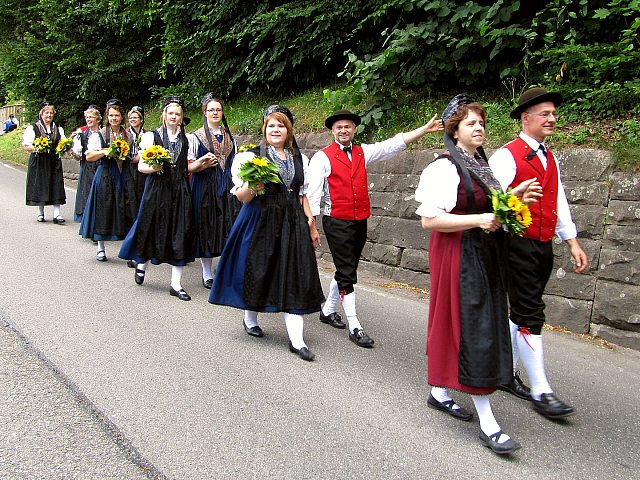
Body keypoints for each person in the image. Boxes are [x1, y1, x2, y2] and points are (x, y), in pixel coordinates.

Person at [415, 94, 541, 455]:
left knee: (464, 322)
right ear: (454, 131)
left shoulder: (480, 164)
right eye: (471, 123)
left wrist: (514, 196)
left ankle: (440, 391)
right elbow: (429, 219)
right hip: (458, 254)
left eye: (481, 122)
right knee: (473, 327)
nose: (479, 127)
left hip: (484, 254)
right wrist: (478, 220)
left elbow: (491, 207)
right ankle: (488, 423)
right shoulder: (443, 167)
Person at [489, 87, 588, 418]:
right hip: (514, 243)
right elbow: (493, 203)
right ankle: (541, 390)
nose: (552, 119)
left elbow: (557, 199)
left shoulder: (549, 157)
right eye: (544, 114)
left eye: (554, 114)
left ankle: (505, 371)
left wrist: (570, 240)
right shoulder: (506, 156)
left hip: (542, 243)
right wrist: (515, 202)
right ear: (525, 117)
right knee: (531, 312)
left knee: (521, 311)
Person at [306, 110, 442, 348]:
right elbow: (313, 193)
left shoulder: (362, 152)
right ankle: (354, 324)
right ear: (332, 131)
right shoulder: (322, 157)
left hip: (360, 220)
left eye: (347, 127)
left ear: (354, 129)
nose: (343, 130)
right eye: (339, 127)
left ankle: (327, 311)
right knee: (347, 271)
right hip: (337, 221)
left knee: (347, 267)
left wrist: (423, 130)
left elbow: (392, 145)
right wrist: (313, 225)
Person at [208, 105, 324, 361]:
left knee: (293, 274)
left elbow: (301, 194)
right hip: (260, 219)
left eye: (281, 125)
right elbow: (241, 196)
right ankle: (250, 318)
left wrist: (311, 224)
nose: (276, 129)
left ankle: (297, 340)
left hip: (291, 221)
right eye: (271, 125)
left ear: (288, 130)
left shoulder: (299, 159)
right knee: (257, 269)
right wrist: (253, 186)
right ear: (265, 129)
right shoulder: (250, 156)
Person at [118, 96, 196, 301]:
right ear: (164, 115)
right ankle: (141, 264)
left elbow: (186, 167)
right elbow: (141, 166)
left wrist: (203, 164)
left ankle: (176, 284)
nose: (174, 116)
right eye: (171, 113)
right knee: (150, 227)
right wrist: (154, 168)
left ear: (181, 117)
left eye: (178, 114)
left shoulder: (186, 139)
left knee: (180, 231)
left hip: (180, 191)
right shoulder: (151, 137)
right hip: (157, 189)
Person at [189, 93, 240, 289]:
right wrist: (202, 164)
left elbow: (235, 163)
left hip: (227, 186)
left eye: (218, 109)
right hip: (205, 186)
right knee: (207, 226)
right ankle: (206, 272)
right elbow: (189, 167)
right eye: (211, 110)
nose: (215, 113)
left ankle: (224, 267)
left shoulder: (230, 136)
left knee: (228, 225)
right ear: (205, 112)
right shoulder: (195, 136)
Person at [79, 99, 138, 262]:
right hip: (105, 174)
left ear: (122, 117)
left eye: (117, 115)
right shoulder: (99, 135)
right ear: (107, 116)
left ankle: (129, 250)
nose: (114, 118)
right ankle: (101, 248)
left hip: (124, 175)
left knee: (129, 209)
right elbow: (89, 156)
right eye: (111, 115)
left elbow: (133, 156)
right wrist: (106, 152)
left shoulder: (128, 135)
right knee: (103, 209)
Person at [21, 101, 66, 223]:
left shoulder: (58, 129)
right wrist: (37, 148)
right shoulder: (33, 128)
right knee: (41, 185)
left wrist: (65, 147)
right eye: (47, 112)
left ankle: (57, 214)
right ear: (41, 114)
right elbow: (26, 146)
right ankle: (40, 213)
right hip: (39, 161)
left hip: (54, 161)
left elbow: (63, 143)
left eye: (51, 113)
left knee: (56, 185)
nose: (49, 115)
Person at [72, 105, 102, 222]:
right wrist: (72, 152)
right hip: (87, 167)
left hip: (101, 166)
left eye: (91, 117)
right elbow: (78, 156)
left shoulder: (104, 133)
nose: (88, 119)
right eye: (87, 117)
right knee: (87, 194)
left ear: (98, 119)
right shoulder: (82, 135)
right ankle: (88, 222)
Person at [127, 105, 148, 209]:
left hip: (143, 166)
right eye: (131, 118)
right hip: (130, 167)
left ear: (141, 120)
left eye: (135, 117)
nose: (132, 119)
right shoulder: (125, 133)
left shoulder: (147, 134)